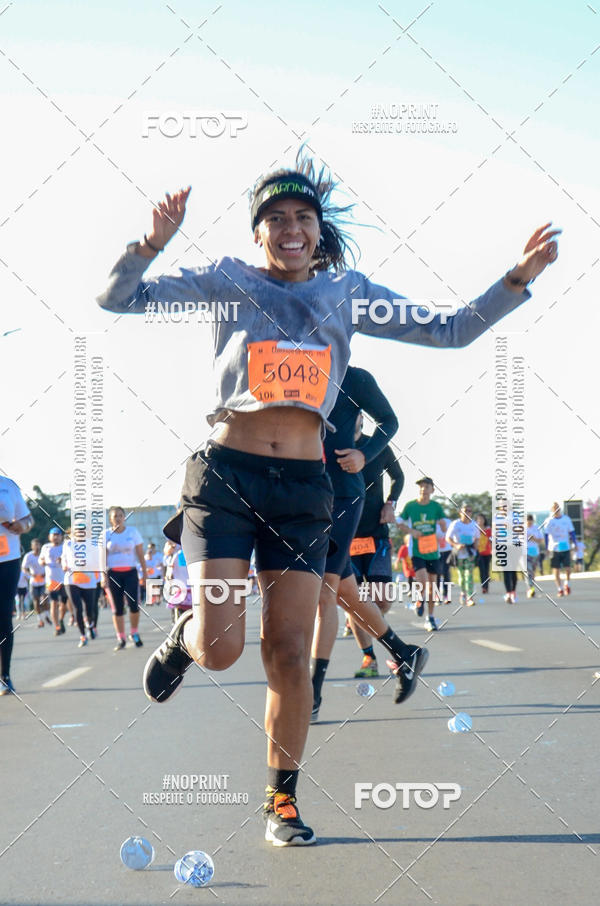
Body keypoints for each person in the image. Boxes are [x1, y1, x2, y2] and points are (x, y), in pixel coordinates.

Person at [96, 151, 559, 847]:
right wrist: (152, 244)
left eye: (302, 219)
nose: (290, 229)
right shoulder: (227, 282)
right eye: (275, 219)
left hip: (304, 490)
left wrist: (519, 278)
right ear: (257, 233)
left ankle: (280, 801)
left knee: (287, 650)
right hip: (227, 477)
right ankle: (187, 638)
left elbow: (450, 330)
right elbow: (119, 298)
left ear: (318, 230)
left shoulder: (346, 294)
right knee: (222, 650)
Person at [312, 369, 422, 719]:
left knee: (325, 593)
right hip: (304, 496)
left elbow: (390, 420)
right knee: (346, 592)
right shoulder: (287, 368)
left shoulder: (353, 377)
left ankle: (311, 694)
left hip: (344, 496)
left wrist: (366, 454)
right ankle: (405, 653)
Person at [345, 412, 405, 679]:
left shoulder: (376, 446)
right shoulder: (331, 447)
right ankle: (369, 658)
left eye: (353, 415)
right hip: (345, 538)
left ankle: (363, 622)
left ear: (360, 418)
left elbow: (398, 476)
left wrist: (390, 503)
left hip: (376, 534)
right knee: (355, 602)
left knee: (381, 600)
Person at [397, 478, 448, 630]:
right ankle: (419, 600)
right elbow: (398, 522)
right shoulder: (411, 506)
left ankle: (430, 617)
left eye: (426, 487)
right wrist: (411, 531)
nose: (423, 489)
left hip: (433, 551)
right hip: (417, 551)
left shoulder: (436, 507)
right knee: (422, 581)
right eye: (421, 487)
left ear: (432, 490)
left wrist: (443, 526)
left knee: (433, 587)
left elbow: (444, 528)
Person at [0, 475, 33, 694]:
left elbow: (28, 519)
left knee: (3, 616)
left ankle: (5, 676)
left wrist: (22, 525)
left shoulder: (8, 485)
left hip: (7, 560)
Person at [103, 506, 147, 649]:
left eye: (120, 515)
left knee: (134, 605)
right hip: (113, 574)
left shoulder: (132, 532)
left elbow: (140, 554)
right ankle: (120, 638)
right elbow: (102, 558)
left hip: (130, 573)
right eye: (115, 516)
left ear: (124, 517)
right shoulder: (105, 534)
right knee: (118, 608)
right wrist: (103, 577)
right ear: (110, 519)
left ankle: (134, 633)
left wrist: (144, 574)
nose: (118, 518)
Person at [62, 525, 99, 646]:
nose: (80, 533)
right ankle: (82, 636)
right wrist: (64, 565)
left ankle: (90, 625)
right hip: (72, 580)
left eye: (82, 531)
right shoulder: (68, 544)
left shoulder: (92, 544)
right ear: (72, 532)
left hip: (89, 581)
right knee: (77, 608)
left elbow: (97, 560)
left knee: (90, 609)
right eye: (77, 531)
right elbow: (64, 557)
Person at [446, 504, 479, 605]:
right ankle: (463, 593)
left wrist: (475, 546)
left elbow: (477, 537)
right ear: (460, 512)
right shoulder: (455, 524)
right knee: (461, 576)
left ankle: (470, 597)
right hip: (459, 554)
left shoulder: (474, 524)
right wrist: (456, 545)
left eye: (469, 511)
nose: (467, 513)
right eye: (465, 511)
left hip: (470, 553)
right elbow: (448, 538)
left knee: (469, 575)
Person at [39, 528, 69, 636]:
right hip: (51, 580)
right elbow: (40, 559)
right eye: (53, 535)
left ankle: (61, 619)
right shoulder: (46, 547)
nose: (55, 537)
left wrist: (63, 560)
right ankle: (57, 627)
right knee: (54, 603)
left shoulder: (65, 546)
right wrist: (42, 561)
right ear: (49, 537)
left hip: (64, 580)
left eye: (58, 535)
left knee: (63, 604)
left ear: (61, 536)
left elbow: (70, 559)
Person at [544, 502, 576, 596]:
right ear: (551, 510)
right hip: (554, 548)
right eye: (554, 509)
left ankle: (567, 584)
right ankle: (559, 588)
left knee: (568, 568)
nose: (556, 510)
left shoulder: (566, 519)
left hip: (565, 547)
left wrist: (575, 543)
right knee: (556, 569)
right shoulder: (549, 521)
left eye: (557, 508)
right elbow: (546, 535)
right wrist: (546, 548)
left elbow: (572, 532)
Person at [22, 539, 50, 627]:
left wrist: (46, 573)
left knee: (44, 599)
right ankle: (40, 620)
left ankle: (46, 615)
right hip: (33, 582)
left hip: (44, 581)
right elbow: (24, 568)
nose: (37, 547)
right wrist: (30, 574)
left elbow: (50, 564)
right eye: (35, 545)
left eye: (38, 545)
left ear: (40, 546)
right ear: (32, 546)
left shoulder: (44, 555)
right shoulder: (28, 556)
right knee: (36, 601)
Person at [525, 514, 544, 598]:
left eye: (530, 521)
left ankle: (531, 587)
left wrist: (533, 539)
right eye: (528, 521)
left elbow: (540, 540)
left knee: (532, 572)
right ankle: (530, 588)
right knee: (528, 571)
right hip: (525, 552)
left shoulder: (536, 528)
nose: (529, 523)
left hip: (535, 552)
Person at [475, 513, 492, 594]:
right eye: (478, 519)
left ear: (484, 520)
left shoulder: (488, 530)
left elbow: (491, 540)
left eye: (482, 519)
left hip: (488, 552)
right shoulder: (475, 529)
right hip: (479, 553)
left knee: (486, 570)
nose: (480, 521)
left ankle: (486, 586)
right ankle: (484, 587)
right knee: (482, 570)